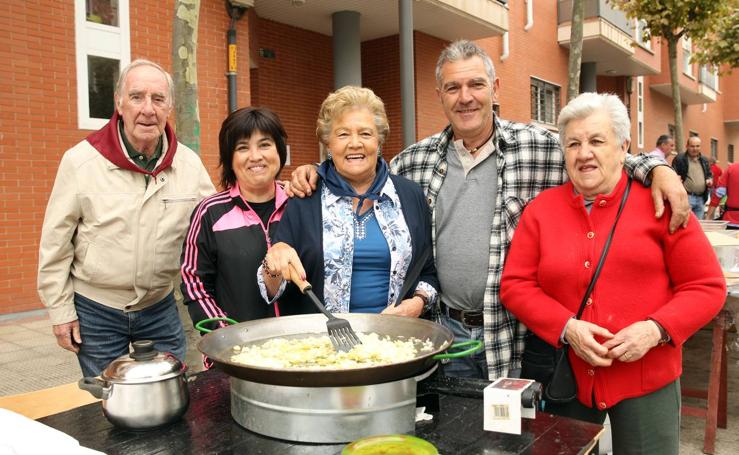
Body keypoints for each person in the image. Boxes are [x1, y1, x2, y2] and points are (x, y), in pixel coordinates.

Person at [287, 40, 689, 380]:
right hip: (442, 331)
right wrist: (313, 173)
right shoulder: (414, 161)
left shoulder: (540, 148)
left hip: (516, 337)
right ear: (439, 95)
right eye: (453, 87)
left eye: (476, 84)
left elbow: (597, 159)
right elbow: (357, 171)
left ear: (495, 87)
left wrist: (655, 168)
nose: (465, 97)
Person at [500, 93, 725, 454]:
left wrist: (655, 330)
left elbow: (706, 286)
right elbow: (515, 285)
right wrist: (566, 328)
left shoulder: (662, 205)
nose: (584, 152)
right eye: (573, 143)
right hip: (568, 378)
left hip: (648, 379)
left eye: (596, 141)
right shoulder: (541, 211)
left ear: (623, 148)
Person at [37, 59, 215, 376]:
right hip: (96, 309)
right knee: (106, 404)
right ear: (119, 102)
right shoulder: (81, 162)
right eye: (137, 97)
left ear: (170, 106)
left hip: (159, 306)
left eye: (158, 99)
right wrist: (60, 310)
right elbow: (56, 242)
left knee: (172, 392)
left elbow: (217, 226)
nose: (148, 109)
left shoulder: (189, 166)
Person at [261, 86, 438, 317]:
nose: (355, 143)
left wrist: (418, 303)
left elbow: (428, 272)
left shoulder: (410, 196)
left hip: (395, 343)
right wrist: (272, 263)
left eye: (365, 133)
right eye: (343, 134)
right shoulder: (306, 197)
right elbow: (272, 289)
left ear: (379, 141)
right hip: (320, 344)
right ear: (328, 144)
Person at [180, 107, 313, 338]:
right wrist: (226, 336)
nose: (255, 156)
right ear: (229, 158)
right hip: (237, 350)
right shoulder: (209, 212)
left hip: (301, 347)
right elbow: (195, 283)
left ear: (280, 151)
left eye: (265, 144)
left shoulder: (301, 203)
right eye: (242, 147)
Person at [673, 136, 713, 218]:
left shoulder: (704, 160)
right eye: (692, 146)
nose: (695, 149)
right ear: (687, 146)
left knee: (698, 225)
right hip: (686, 197)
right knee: (686, 223)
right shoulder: (680, 159)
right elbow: (673, 174)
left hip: (701, 198)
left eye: (697, 146)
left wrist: (709, 180)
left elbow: (709, 174)